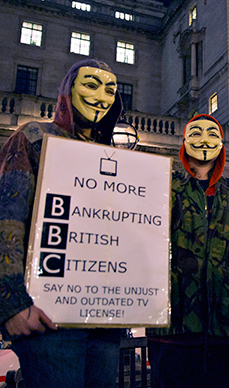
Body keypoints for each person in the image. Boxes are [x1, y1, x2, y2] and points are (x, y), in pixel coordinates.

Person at [0, 59, 124, 388]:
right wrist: (11, 304)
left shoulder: (114, 158)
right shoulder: (33, 137)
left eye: (110, 90)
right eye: (91, 85)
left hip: (106, 324)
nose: (101, 96)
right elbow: (6, 220)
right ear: (67, 91)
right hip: (47, 323)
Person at [146, 114, 229, 388]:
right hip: (173, 324)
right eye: (196, 133)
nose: (204, 140)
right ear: (184, 142)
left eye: (211, 134)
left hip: (223, 324)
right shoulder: (166, 185)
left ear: (221, 144)